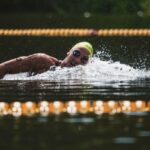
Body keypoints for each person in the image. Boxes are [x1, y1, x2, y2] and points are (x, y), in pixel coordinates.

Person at [0, 41, 93, 79]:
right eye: (76, 53)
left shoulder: (78, 79)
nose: (77, 60)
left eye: (84, 59)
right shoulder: (43, 61)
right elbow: (3, 68)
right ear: (69, 52)